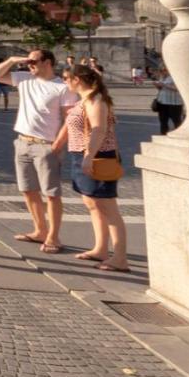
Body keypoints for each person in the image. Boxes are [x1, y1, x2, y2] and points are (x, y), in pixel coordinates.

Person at [0, 49, 76, 254]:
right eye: (28, 62)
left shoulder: (62, 87)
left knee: (51, 193)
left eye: (34, 61)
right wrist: (11, 59)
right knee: (28, 190)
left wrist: (58, 144)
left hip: (46, 144)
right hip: (22, 142)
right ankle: (40, 230)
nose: (29, 65)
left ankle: (54, 236)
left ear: (48, 62)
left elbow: (70, 118)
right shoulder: (24, 78)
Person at [51, 64, 128, 272]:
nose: (64, 81)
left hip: (98, 156)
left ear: (78, 79)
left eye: (67, 78)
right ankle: (101, 249)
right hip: (82, 155)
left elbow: (98, 130)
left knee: (108, 208)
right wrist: (59, 145)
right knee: (92, 204)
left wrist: (88, 156)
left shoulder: (96, 99)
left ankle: (120, 258)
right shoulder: (84, 99)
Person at [153, 69, 185, 135]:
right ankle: (163, 134)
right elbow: (161, 89)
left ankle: (179, 134)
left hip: (174, 102)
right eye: (161, 71)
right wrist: (158, 86)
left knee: (176, 120)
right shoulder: (162, 77)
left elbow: (178, 88)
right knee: (163, 121)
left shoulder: (176, 77)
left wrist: (164, 85)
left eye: (164, 70)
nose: (162, 72)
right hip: (162, 102)